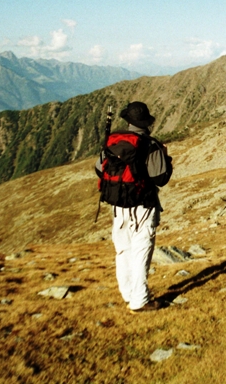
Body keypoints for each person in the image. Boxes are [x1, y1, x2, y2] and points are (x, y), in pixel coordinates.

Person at [95, 101, 172, 312]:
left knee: (123, 250)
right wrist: (166, 157)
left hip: (118, 205)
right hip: (142, 206)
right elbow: (160, 178)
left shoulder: (113, 141)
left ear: (128, 121)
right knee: (141, 250)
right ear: (146, 122)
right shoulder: (150, 145)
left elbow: (99, 169)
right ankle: (140, 300)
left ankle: (128, 293)